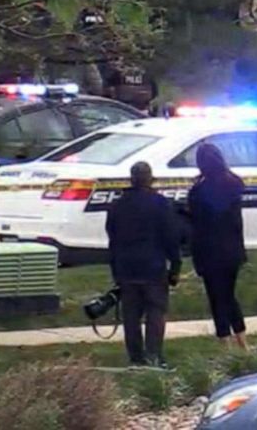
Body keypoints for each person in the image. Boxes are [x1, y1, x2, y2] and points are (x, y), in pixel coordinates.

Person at [105, 161, 181, 368]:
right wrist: (175, 267)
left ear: (131, 179)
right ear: (150, 178)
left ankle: (136, 358)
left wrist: (115, 270)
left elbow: (112, 239)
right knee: (156, 311)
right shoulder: (160, 204)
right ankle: (154, 356)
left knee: (131, 315)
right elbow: (171, 238)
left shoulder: (117, 206)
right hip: (153, 266)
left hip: (126, 267)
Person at [188, 144, 248, 350]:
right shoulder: (234, 184)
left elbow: (196, 223)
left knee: (216, 297)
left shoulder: (198, 191)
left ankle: (226, 344)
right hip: (232, 250)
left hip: (209, 251)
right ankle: (243, 342)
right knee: (229, 295)